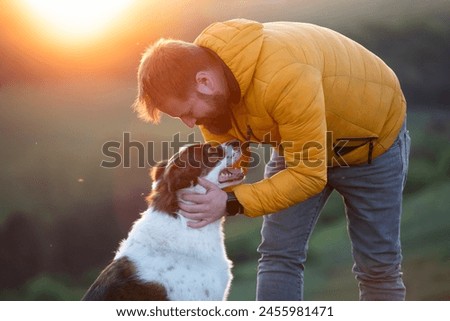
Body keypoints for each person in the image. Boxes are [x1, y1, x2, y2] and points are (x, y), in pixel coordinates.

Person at [133, 19, 410, 301]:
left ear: (204, 82)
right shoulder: (210, 87)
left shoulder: (284, 75)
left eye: (188, 111)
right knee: (278, 254)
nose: (190, 123)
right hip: (298, 142)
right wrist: (226, 176)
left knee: (377, 267)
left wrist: (231, 201)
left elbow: (309, 176)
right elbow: (227, 149)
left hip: (371, 146)